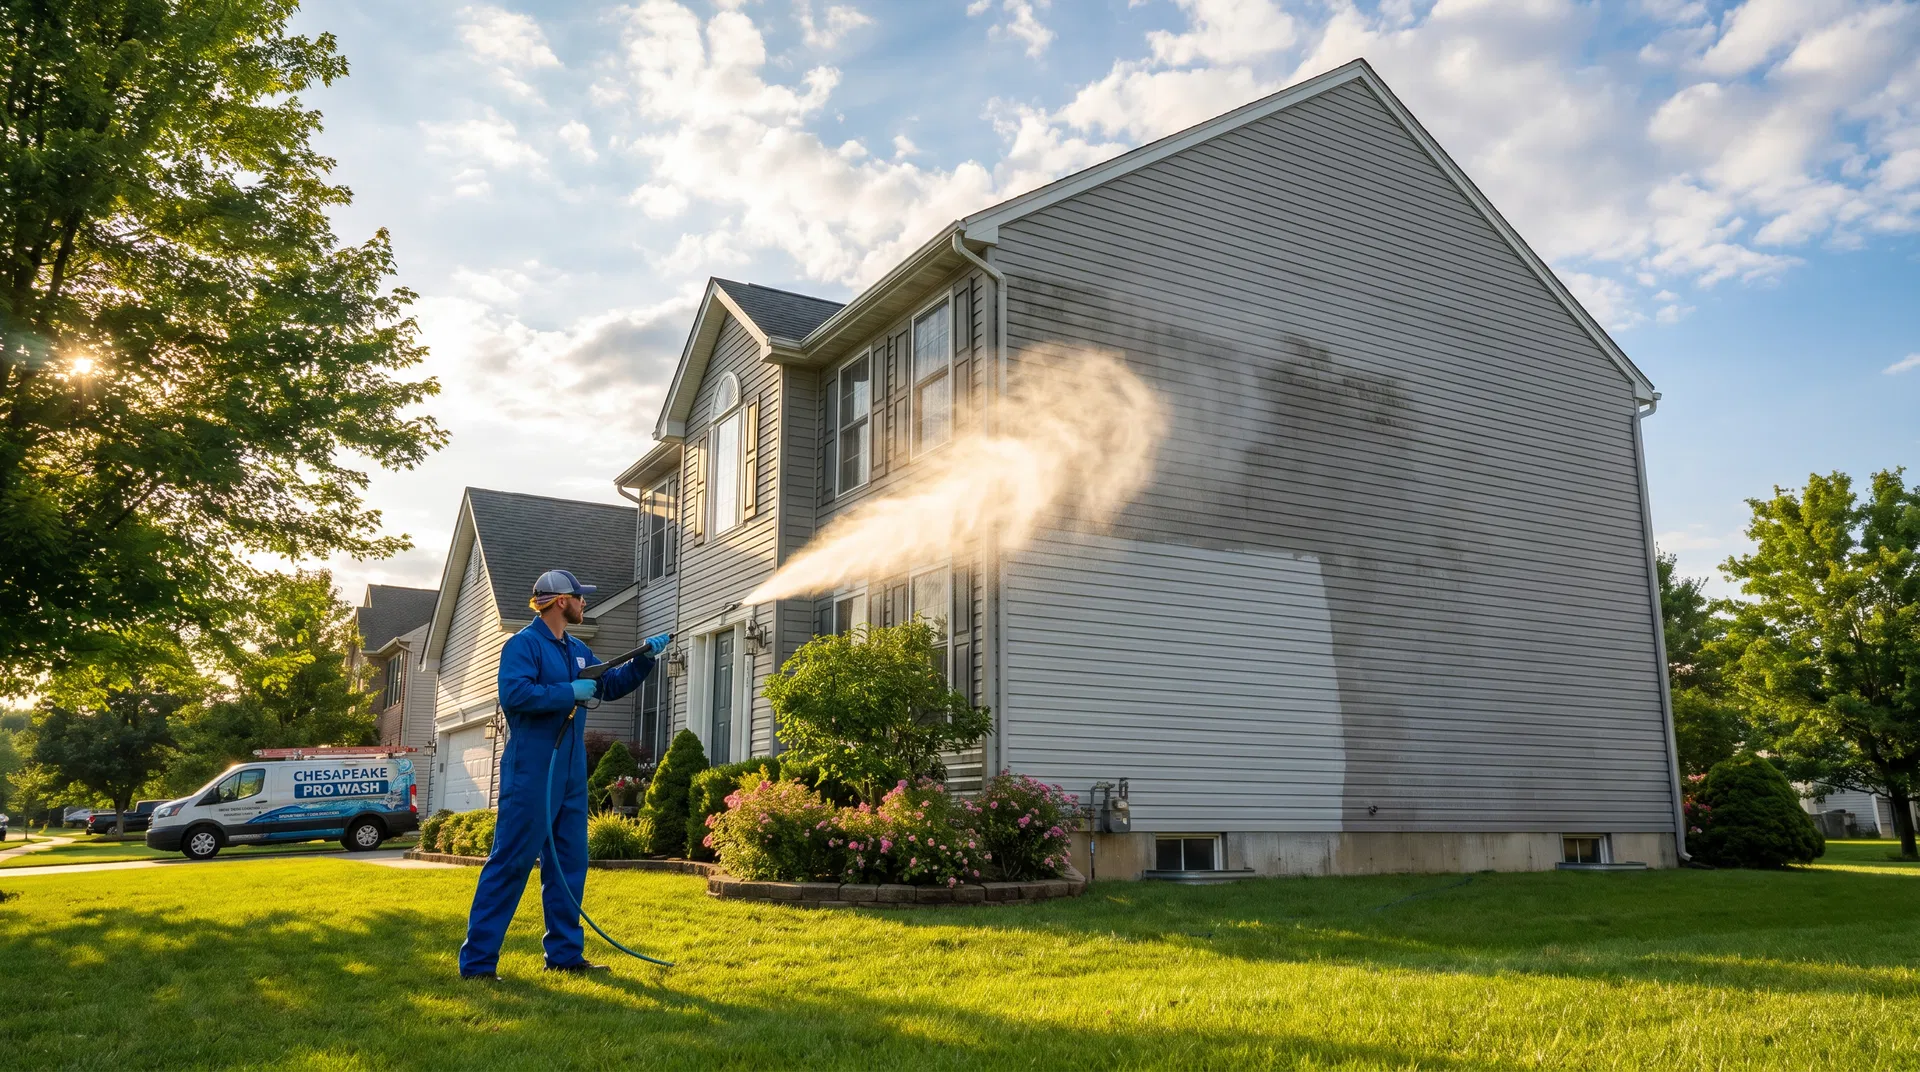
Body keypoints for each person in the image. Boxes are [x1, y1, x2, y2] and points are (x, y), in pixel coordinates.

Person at [459, 569, 671, 980]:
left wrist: (644, 660)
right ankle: (478, 964)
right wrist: (565, 693)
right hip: (532, 773)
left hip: (571, 774)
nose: (584, 602)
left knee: (570, 863)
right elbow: (515, 694)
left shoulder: (575, 649)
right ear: (560, 601)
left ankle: (564, 956)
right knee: (511, 864)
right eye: (579, 597)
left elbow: (607, 684)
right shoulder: (523, 646)